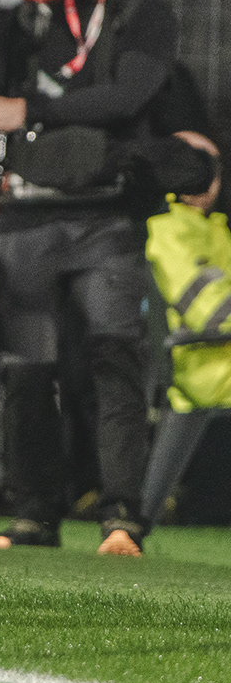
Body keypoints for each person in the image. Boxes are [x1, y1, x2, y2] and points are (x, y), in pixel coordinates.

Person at [0, 0, 173, 556]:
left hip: (107, 216)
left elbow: (127, 97)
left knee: (115, 360)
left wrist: (31, 111)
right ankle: (33, 514)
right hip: (27, 212)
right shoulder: (27, 17)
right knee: (27, 370)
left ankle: (122, 517)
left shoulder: (145, 15)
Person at [139, 131, 229, 527]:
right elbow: (208, 309)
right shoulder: (169, 228)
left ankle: (140, 519)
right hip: (202, 365)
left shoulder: (214, 228)